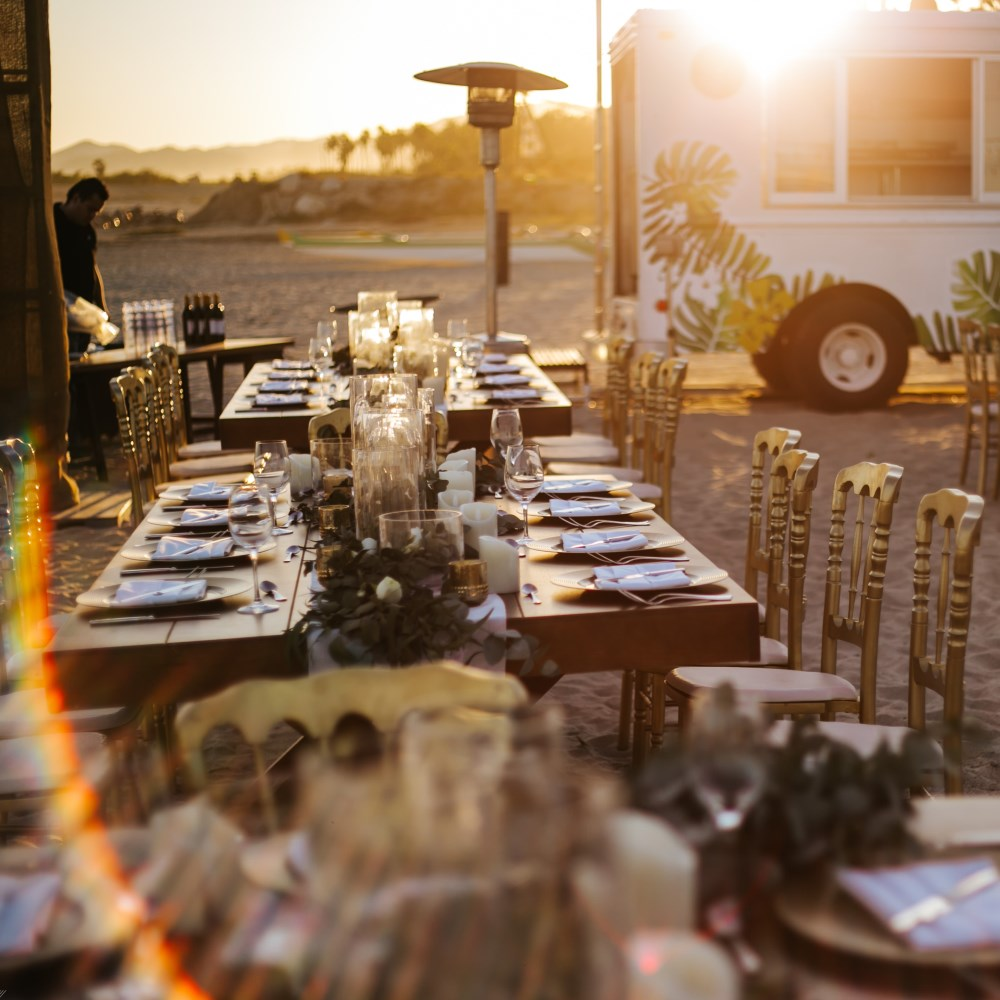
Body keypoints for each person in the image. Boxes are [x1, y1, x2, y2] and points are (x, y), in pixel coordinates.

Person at [53, 176, 109, 357]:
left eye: (96, 212)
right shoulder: (51, 222)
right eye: (90, 209)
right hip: (58, 315)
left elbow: (92, 268)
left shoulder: (88, 231)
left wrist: (101, 306)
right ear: (76, 198)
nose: (92, 215)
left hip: (83, 315)